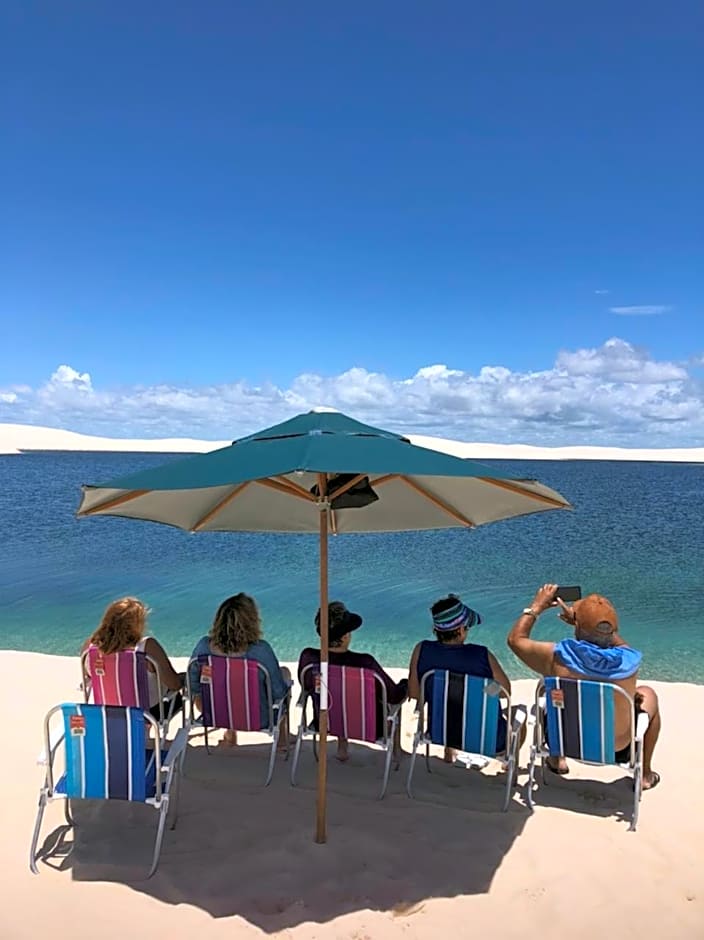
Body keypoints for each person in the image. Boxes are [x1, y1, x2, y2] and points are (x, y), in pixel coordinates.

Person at [507, 583, 661, 789]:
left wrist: (537, 606)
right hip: (617, 748)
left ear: (577, 626)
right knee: (648, 693)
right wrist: (594, 627)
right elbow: (622, 645)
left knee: (547, 687)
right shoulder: (629, 660)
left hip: (564, 741)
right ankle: (645, 775)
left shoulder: (558, 656)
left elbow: (515, 640)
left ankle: (556, 759)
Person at [408, 594, 514, 763]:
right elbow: (505, 691)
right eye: (467, 627)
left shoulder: (421, 650)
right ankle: (508, 768)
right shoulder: (482, 655)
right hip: (487, 739)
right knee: (518, 724)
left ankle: (449, 752)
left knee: (449, 702)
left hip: (439, 732)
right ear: (460, 630)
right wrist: (483, 691)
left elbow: (414, 694)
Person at [297, 601, 408, 763]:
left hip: (325, 721)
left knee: (333, 697)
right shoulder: (365, 663)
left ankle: (342, 747)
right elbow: (394, 696)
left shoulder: (309, 658)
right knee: (393, 705)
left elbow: (306, 686)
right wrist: (405, 685)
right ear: (345, 636)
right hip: (369, 726)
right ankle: (397, 751)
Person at [188, 593, 291, 747]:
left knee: (225, 682)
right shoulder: (261, 651)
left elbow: (192, 685)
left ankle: (230, 731)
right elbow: (278, 692)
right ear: (252, 622)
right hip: (259, 718)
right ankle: (283, 737)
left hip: (215, 714)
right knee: (284, 673)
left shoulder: (203, 648)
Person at [82, 596, 184, 720]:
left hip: (105, 712)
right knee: (178, 691)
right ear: (137, 624)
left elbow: (89, 677)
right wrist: (183, 679)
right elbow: (173, 683)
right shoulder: (146, 647)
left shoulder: (90, 647)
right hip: (147, 715)